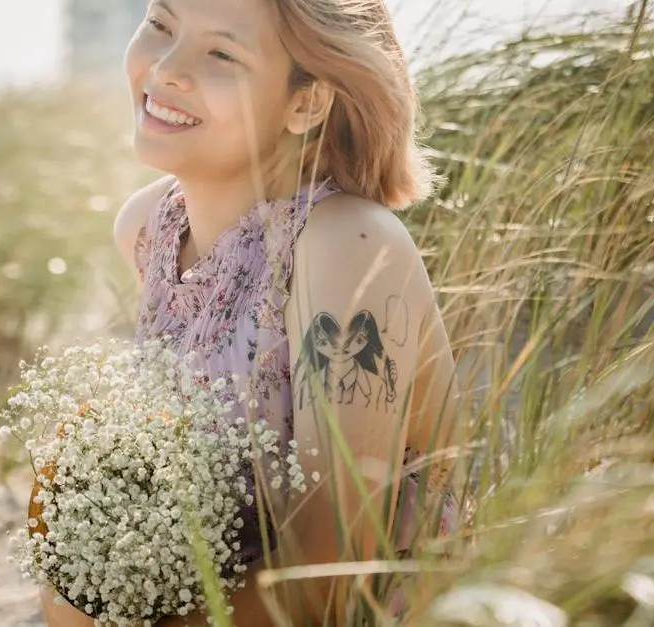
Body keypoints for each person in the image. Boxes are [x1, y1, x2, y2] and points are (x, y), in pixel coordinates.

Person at [40, 0, 461, 624]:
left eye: (221, 54)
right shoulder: (148, 229)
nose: (166, 68)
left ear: (306, 104)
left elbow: (333, 570)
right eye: (160, 24)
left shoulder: (347, 245)